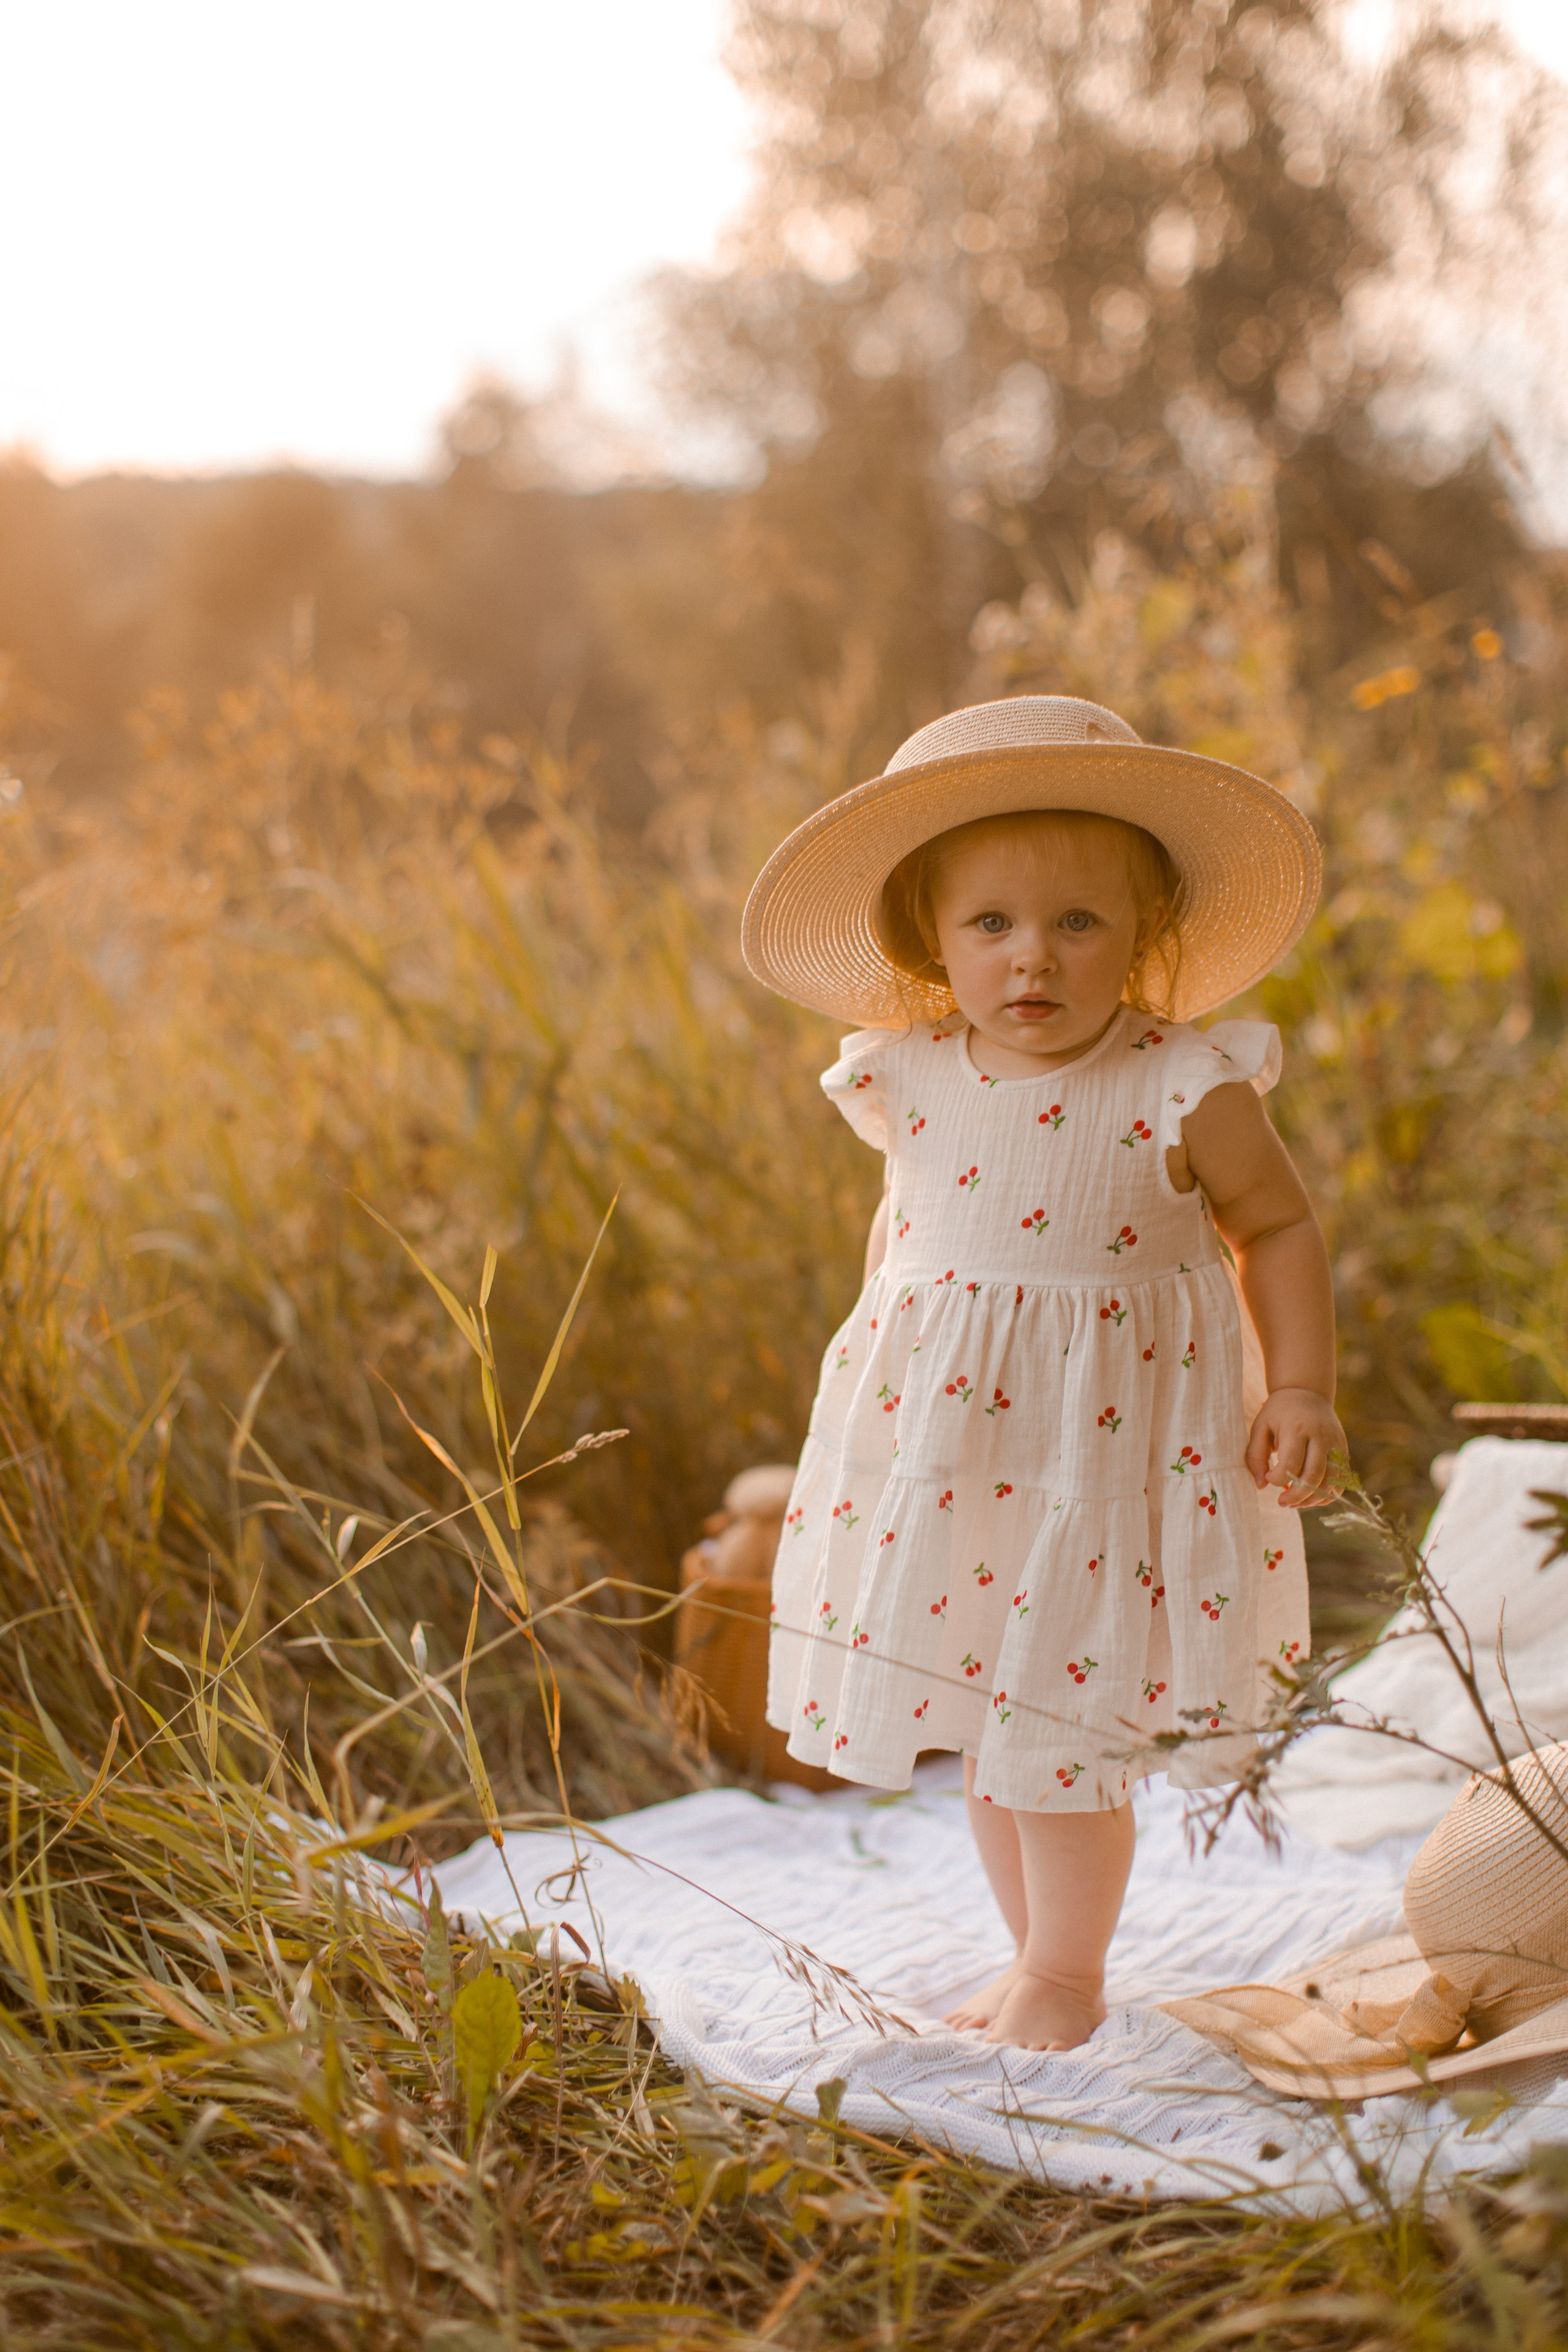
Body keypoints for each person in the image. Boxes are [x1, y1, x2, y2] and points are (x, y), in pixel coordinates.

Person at [742, 695, 1346, 2052]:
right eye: (990, 925)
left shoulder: (1182, 1081)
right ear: (926, 939)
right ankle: (1031, 1955)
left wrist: (1296, 1385)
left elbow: (1277, 1224)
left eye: (1078, 921)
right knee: (978, 1710)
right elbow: (910, 1244)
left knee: (1061, 1725)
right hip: (955, 1455)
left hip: (1114, 1459)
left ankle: (1065, 1974)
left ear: (1143, 933)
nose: (1033, 958)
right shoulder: (902, 1072)